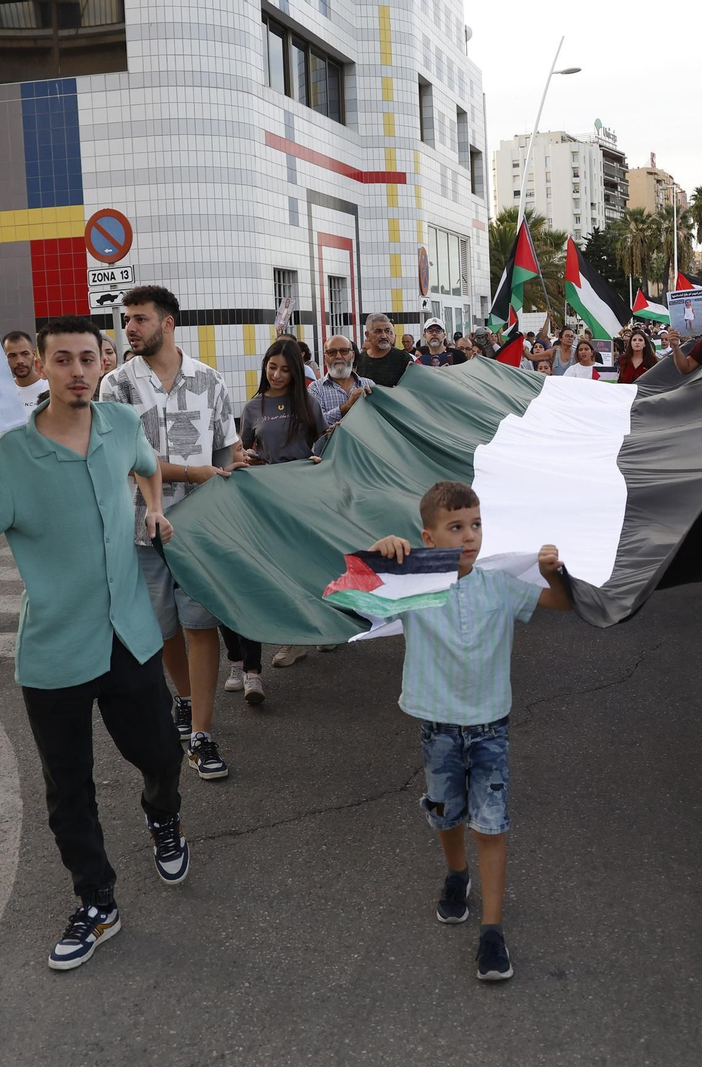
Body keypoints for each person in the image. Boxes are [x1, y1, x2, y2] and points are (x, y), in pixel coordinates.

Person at [0, 316, 190, 972]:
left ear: (102, 362)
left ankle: (162, 815)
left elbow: (148, 467)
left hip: (130, 634)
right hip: (56, 649)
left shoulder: (121, 423)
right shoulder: (10, 456)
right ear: (40, 367)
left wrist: (153, 507)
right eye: (63, 360)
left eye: (88, 358)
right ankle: (97, 900)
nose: (78, 371)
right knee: (68, 787)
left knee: (162, 754)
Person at [367, 481, 573, 981]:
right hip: (437, 725)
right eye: (456, 527)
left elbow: (561, 604)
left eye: (476, 524)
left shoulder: (499, 581)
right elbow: (354, 599)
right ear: (428, 537)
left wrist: (553, 572)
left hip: (489, 727)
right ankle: (457, 873)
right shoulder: (413, 583)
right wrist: (380, 556)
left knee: (491, 825)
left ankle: (492, 932)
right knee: (446, 813)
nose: (470, 536)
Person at [100, 285, 242, 778]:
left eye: (139, 318)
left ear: (168, 322)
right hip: (141, 532)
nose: (130, 328)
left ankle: (201, 732)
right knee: (164, 630)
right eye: (127, 319)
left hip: (199, 532)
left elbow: (225, 450)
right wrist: (192, 473)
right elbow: (124, 459)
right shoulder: (116, 386)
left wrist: (233, 473)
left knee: (201, 627)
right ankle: (183, 697)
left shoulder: (209, 380)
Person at [241, 338, 329, 671]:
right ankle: (292, 639)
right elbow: (243, 450)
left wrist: (320, 458)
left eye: (285, 370)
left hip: (306, 494)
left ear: (296, 372)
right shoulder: (253, 408)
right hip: (269, 497)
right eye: (272, 367)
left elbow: (325, 441)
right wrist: (249, 458)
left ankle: (324, 625)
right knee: (282, 567)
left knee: (310, 562)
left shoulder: (309, 403)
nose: (277, 375)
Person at [307, 334, 372, 451]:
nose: (338, 356)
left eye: (344, 351)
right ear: (325, 357)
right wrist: (347, 406)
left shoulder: (369, 384)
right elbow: (314, 425)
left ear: (352, 355)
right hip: (330, 455)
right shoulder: (315, 388)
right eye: (332, 352)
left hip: (365, 453)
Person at [356, 312, 408, 386]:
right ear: (367, 335)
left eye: (387, 331)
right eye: (378, 331)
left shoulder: (403, 358)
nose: (384, 336)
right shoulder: (359, 360)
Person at [5, 330, 50, 412]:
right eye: (12, 356)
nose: (19, 361)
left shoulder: (51, 387)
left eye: (25, 354)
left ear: (34, 354)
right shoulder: (4, 393)